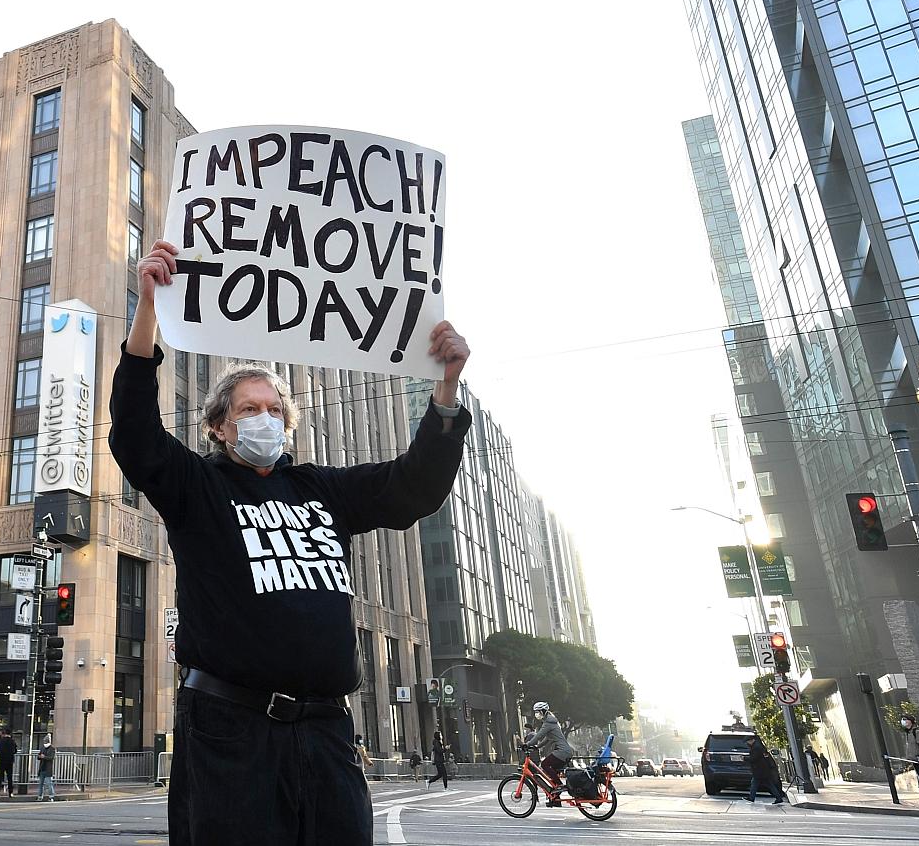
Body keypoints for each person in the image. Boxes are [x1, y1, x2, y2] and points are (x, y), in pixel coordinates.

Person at [110, 238, 472, 846]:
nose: (265, 419)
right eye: (250, 409)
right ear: (220, 426)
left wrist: (445, 391)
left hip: (328, 734)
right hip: (230, 732)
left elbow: (414, 490)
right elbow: (136, 431)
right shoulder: (198, 486)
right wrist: (147, 305)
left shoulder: (319, 489)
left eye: (276, 410)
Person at [522, 703, 571, 807]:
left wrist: (527, 744)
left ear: (544, 712)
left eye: (538, 712)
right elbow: (547, 739)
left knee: (545, 764)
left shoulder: (548, 722)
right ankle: (556, 800)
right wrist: (537, 746)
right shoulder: (550, 721)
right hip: (564, 751)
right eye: (535, 712)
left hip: (561, 751)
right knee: (552, 775)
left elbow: (539, 735)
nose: (537, 714)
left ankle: (560, 785)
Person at [744, 736, 787, 805]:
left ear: (752, 740)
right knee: (769, 784)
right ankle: (778, 798)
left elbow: (754, 758)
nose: (747, 743)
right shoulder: (759, 746)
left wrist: (744, 758)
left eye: (748, 741)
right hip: (763, 770)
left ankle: (751, 798)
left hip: (760, 770)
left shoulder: (756, 748)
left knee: (755, 783)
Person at [0, 730, 18, 798]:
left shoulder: (0, 741)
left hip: (2, 760)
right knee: (9, 777)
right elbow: (15, 751)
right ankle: (10, 792)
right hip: (10, 761)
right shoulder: (12, 741)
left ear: (4, 734)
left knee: (0, 777)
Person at [36, 734, 57, 801]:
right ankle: (40, 796)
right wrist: (40, 756)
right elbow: (38, 756)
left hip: (48, 769)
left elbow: (52, 757)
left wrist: (44, 757)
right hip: (42, 768)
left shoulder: (52, 749)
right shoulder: (42, 748)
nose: (45, 742)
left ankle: (51, 796)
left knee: (49, 784)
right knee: (40, 784)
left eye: (46, 741)